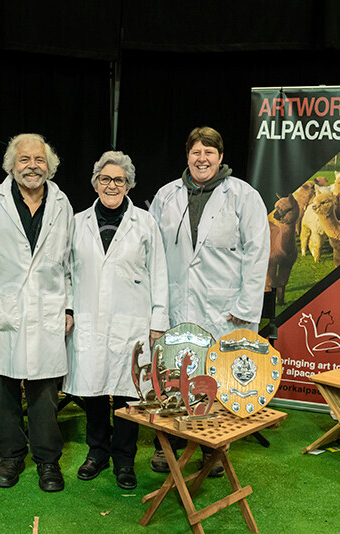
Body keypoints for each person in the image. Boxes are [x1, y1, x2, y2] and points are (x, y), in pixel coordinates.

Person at [148, 126, 270, 474]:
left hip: (223, 308)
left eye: (209, 152)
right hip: (176, 301)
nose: (202, 159)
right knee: (172, 372)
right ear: (187, 156)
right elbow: (155, 251)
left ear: (220, 157)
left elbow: (257, 253)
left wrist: (245, 309)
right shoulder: (166, 196)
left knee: (212, 378)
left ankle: (210, 449)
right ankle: (167, 443)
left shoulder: (243, 196)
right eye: (196, 152)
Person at [0, 133, 74, 492]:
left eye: (39, 160)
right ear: (11, 164)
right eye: (24, 160)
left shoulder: (62, 203)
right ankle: (10, 457)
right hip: (0, 314)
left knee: (44, 393)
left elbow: (69, 264)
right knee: (4, 389)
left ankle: (47, 462)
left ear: (49, 166)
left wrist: (69, 307)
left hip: (47, 313)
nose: (32, 166)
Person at [63, 151, 169, 490]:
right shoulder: (77, 223)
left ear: (129, 184)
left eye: (119, 180)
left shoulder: (145, 223)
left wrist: (158, 321)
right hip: (89, 319)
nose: (112, 185)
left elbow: (160, 273)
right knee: (93, 390)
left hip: (132, 321)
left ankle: (124, 458)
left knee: (129, 392)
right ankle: (97, 452)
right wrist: (67, 309)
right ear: (95, 183)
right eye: (106, 179)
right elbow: (65, 273)